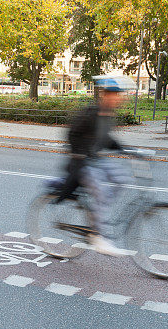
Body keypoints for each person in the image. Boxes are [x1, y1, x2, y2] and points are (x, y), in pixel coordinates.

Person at [54, 75, 134, 256]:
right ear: (104, 96)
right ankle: (98, 236)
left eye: (118, 95)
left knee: (122, 178)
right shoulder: (91, 113)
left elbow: (107, 140)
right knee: (101, 191)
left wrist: (129, 151)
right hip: (81, 162)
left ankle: (99, 211)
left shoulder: (108, 116)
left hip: (95, 160)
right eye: (113, 95)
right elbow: (72, 133)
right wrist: (78, 153)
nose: (117, 99)